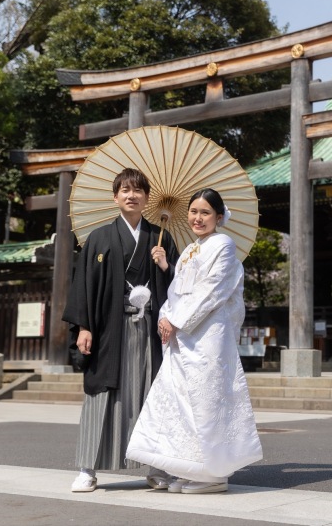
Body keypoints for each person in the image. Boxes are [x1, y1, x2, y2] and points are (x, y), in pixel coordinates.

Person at [126, 188, 262, 495]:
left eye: (205, 213)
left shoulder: (224, 245)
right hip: (182, 335)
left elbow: (213, 291)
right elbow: (177, 290)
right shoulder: (188, 250)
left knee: (206, 400)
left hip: (209, 334)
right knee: (180, 400)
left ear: (218, 216)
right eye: (193, 212)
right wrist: (165, 314)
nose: (197, 218)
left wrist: (176, 319)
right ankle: (185, 467)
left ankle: (213, 473)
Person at [62, 167, 180, 493]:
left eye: (138, 190)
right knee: (101, 395)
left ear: (147, 198)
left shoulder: (161, 237)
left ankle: (156, 468)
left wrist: (165, 266)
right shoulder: (99, 238)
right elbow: (84, 285)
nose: (132, 195)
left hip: (148, 332)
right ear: (115, 197)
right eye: (125, 190)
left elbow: (181, 288)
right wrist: (84, 326)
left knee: (150, 396)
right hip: (108, 332)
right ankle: (88, 468)